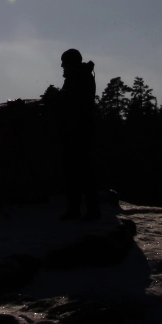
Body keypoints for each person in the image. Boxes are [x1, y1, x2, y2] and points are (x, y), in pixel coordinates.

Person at [57, 48, 100, 220]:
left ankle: (84, 209)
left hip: (79, 131)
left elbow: (74, 103)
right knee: (79, 171)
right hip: (79, 129)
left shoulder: (79, 78)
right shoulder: (80, 77)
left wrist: (58, 98)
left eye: (64, 63)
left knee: (79, 171)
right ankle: (82, 208)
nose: (62, 66)